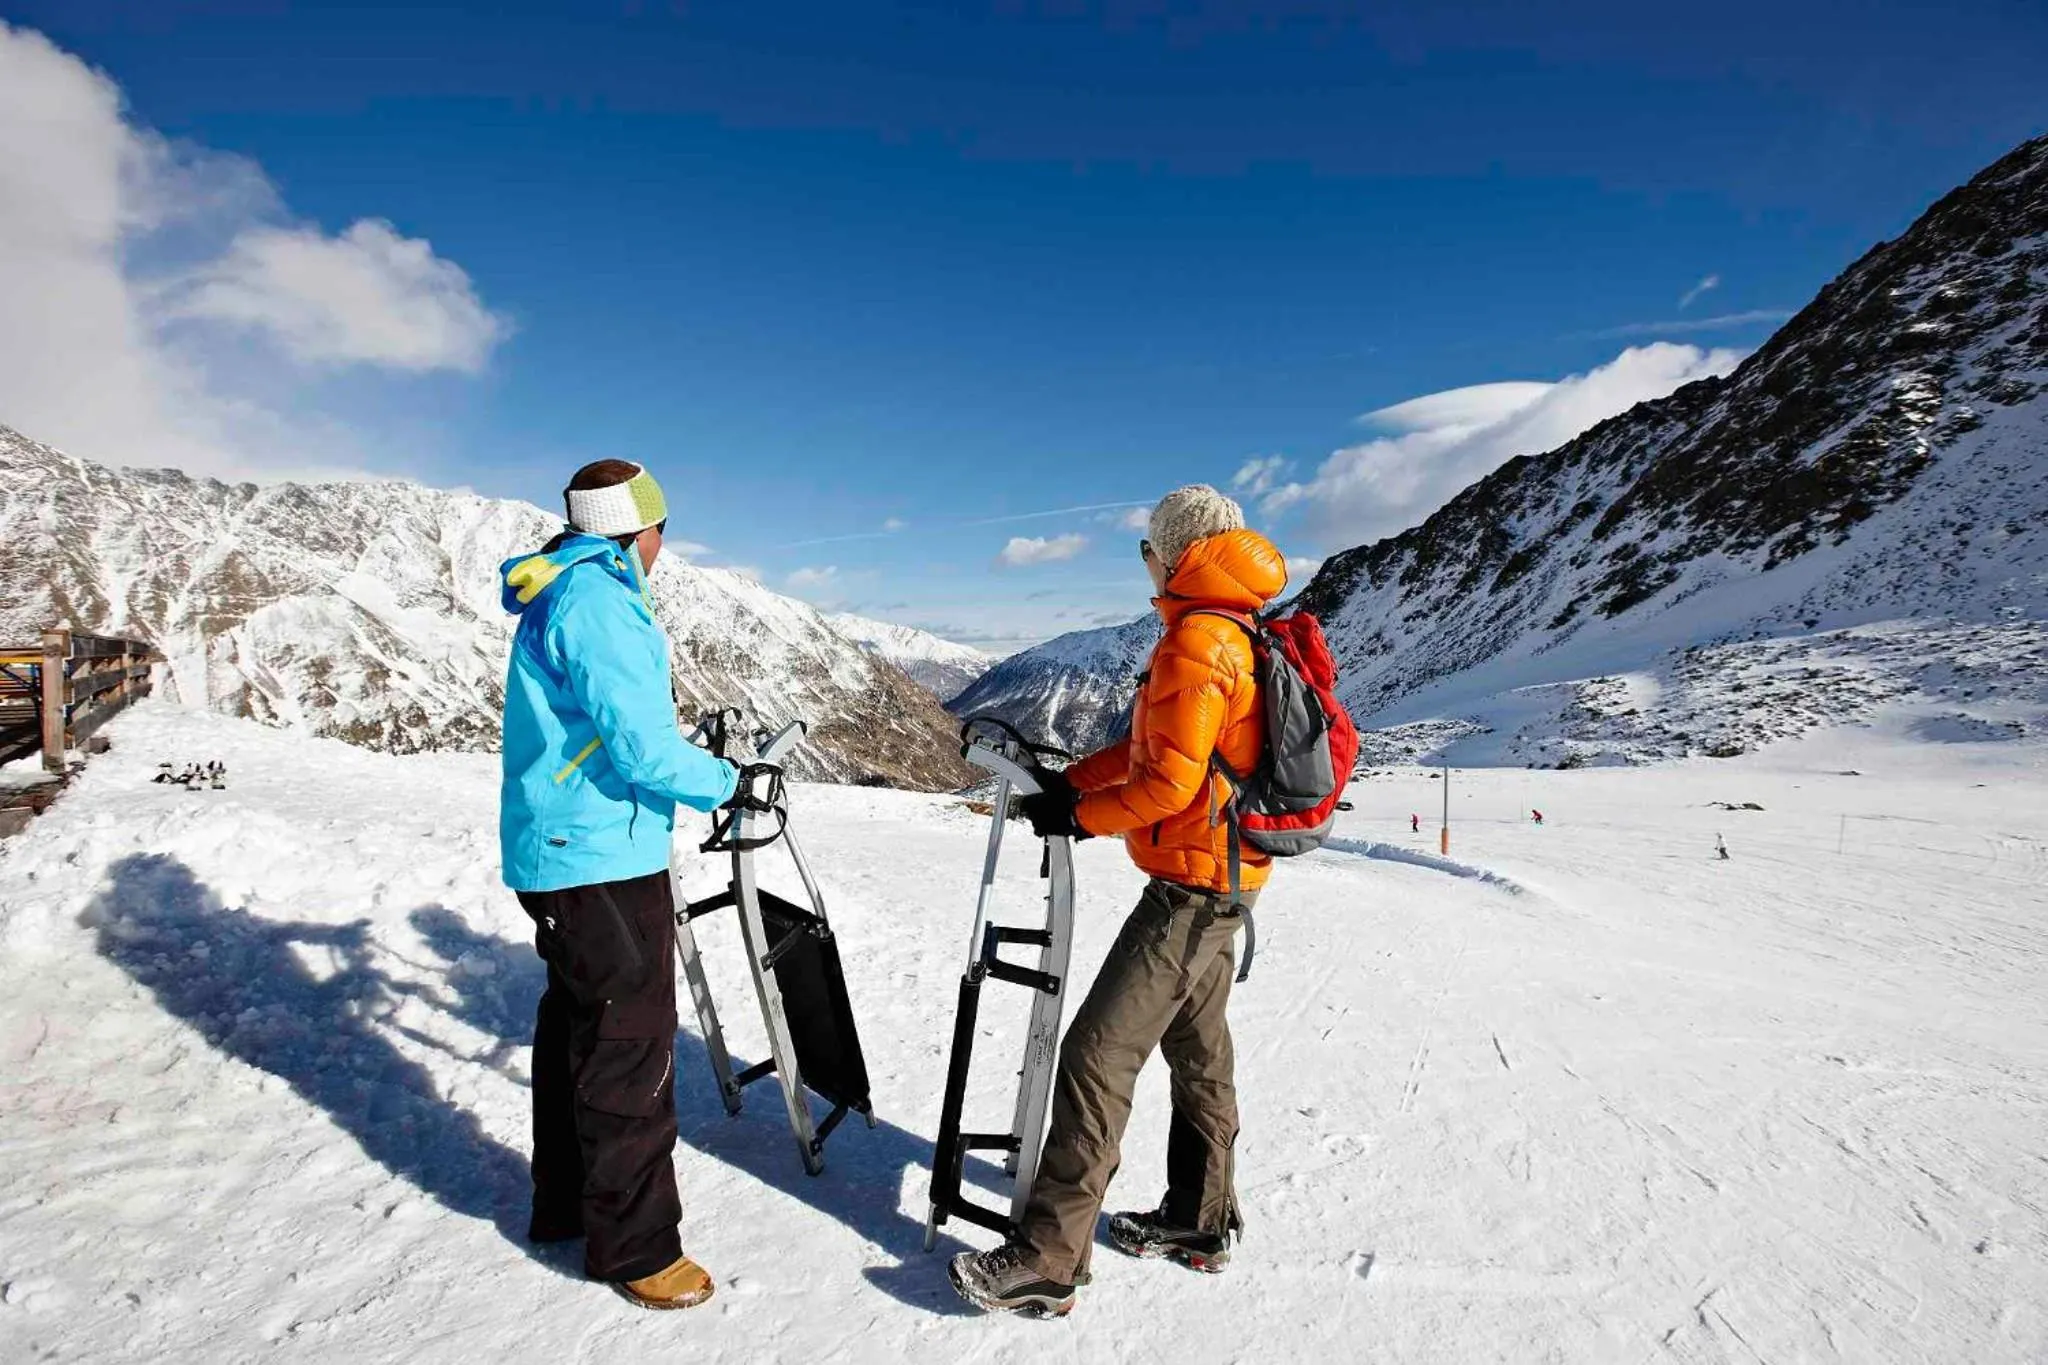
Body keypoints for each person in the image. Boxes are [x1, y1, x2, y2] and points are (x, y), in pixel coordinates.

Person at [951, 485, 1287, 1317]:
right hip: (1226, 879)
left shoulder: (1197, 639)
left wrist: (1080, 818)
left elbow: (1168, 785)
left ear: (1174, 554)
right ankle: (1200, 1219)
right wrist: (1072, 784)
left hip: (1191, 890)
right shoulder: (1230, 626)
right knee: (1199, 1052)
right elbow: (1155, 747)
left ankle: (1049, 1258)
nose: (1146, 565)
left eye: (1148, 551)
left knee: (1097, 1054)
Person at [498, 459, 740, 1311]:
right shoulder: (599, 600)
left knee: (580, 1028)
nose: (663, 547)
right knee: (629, 1045)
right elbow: (643, 750)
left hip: (565, 850)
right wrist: (729, 781)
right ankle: (636, 1247)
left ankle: (567, 1202)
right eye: (662, 530)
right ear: (641, 530)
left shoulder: (562, 587)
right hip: (599, 856)